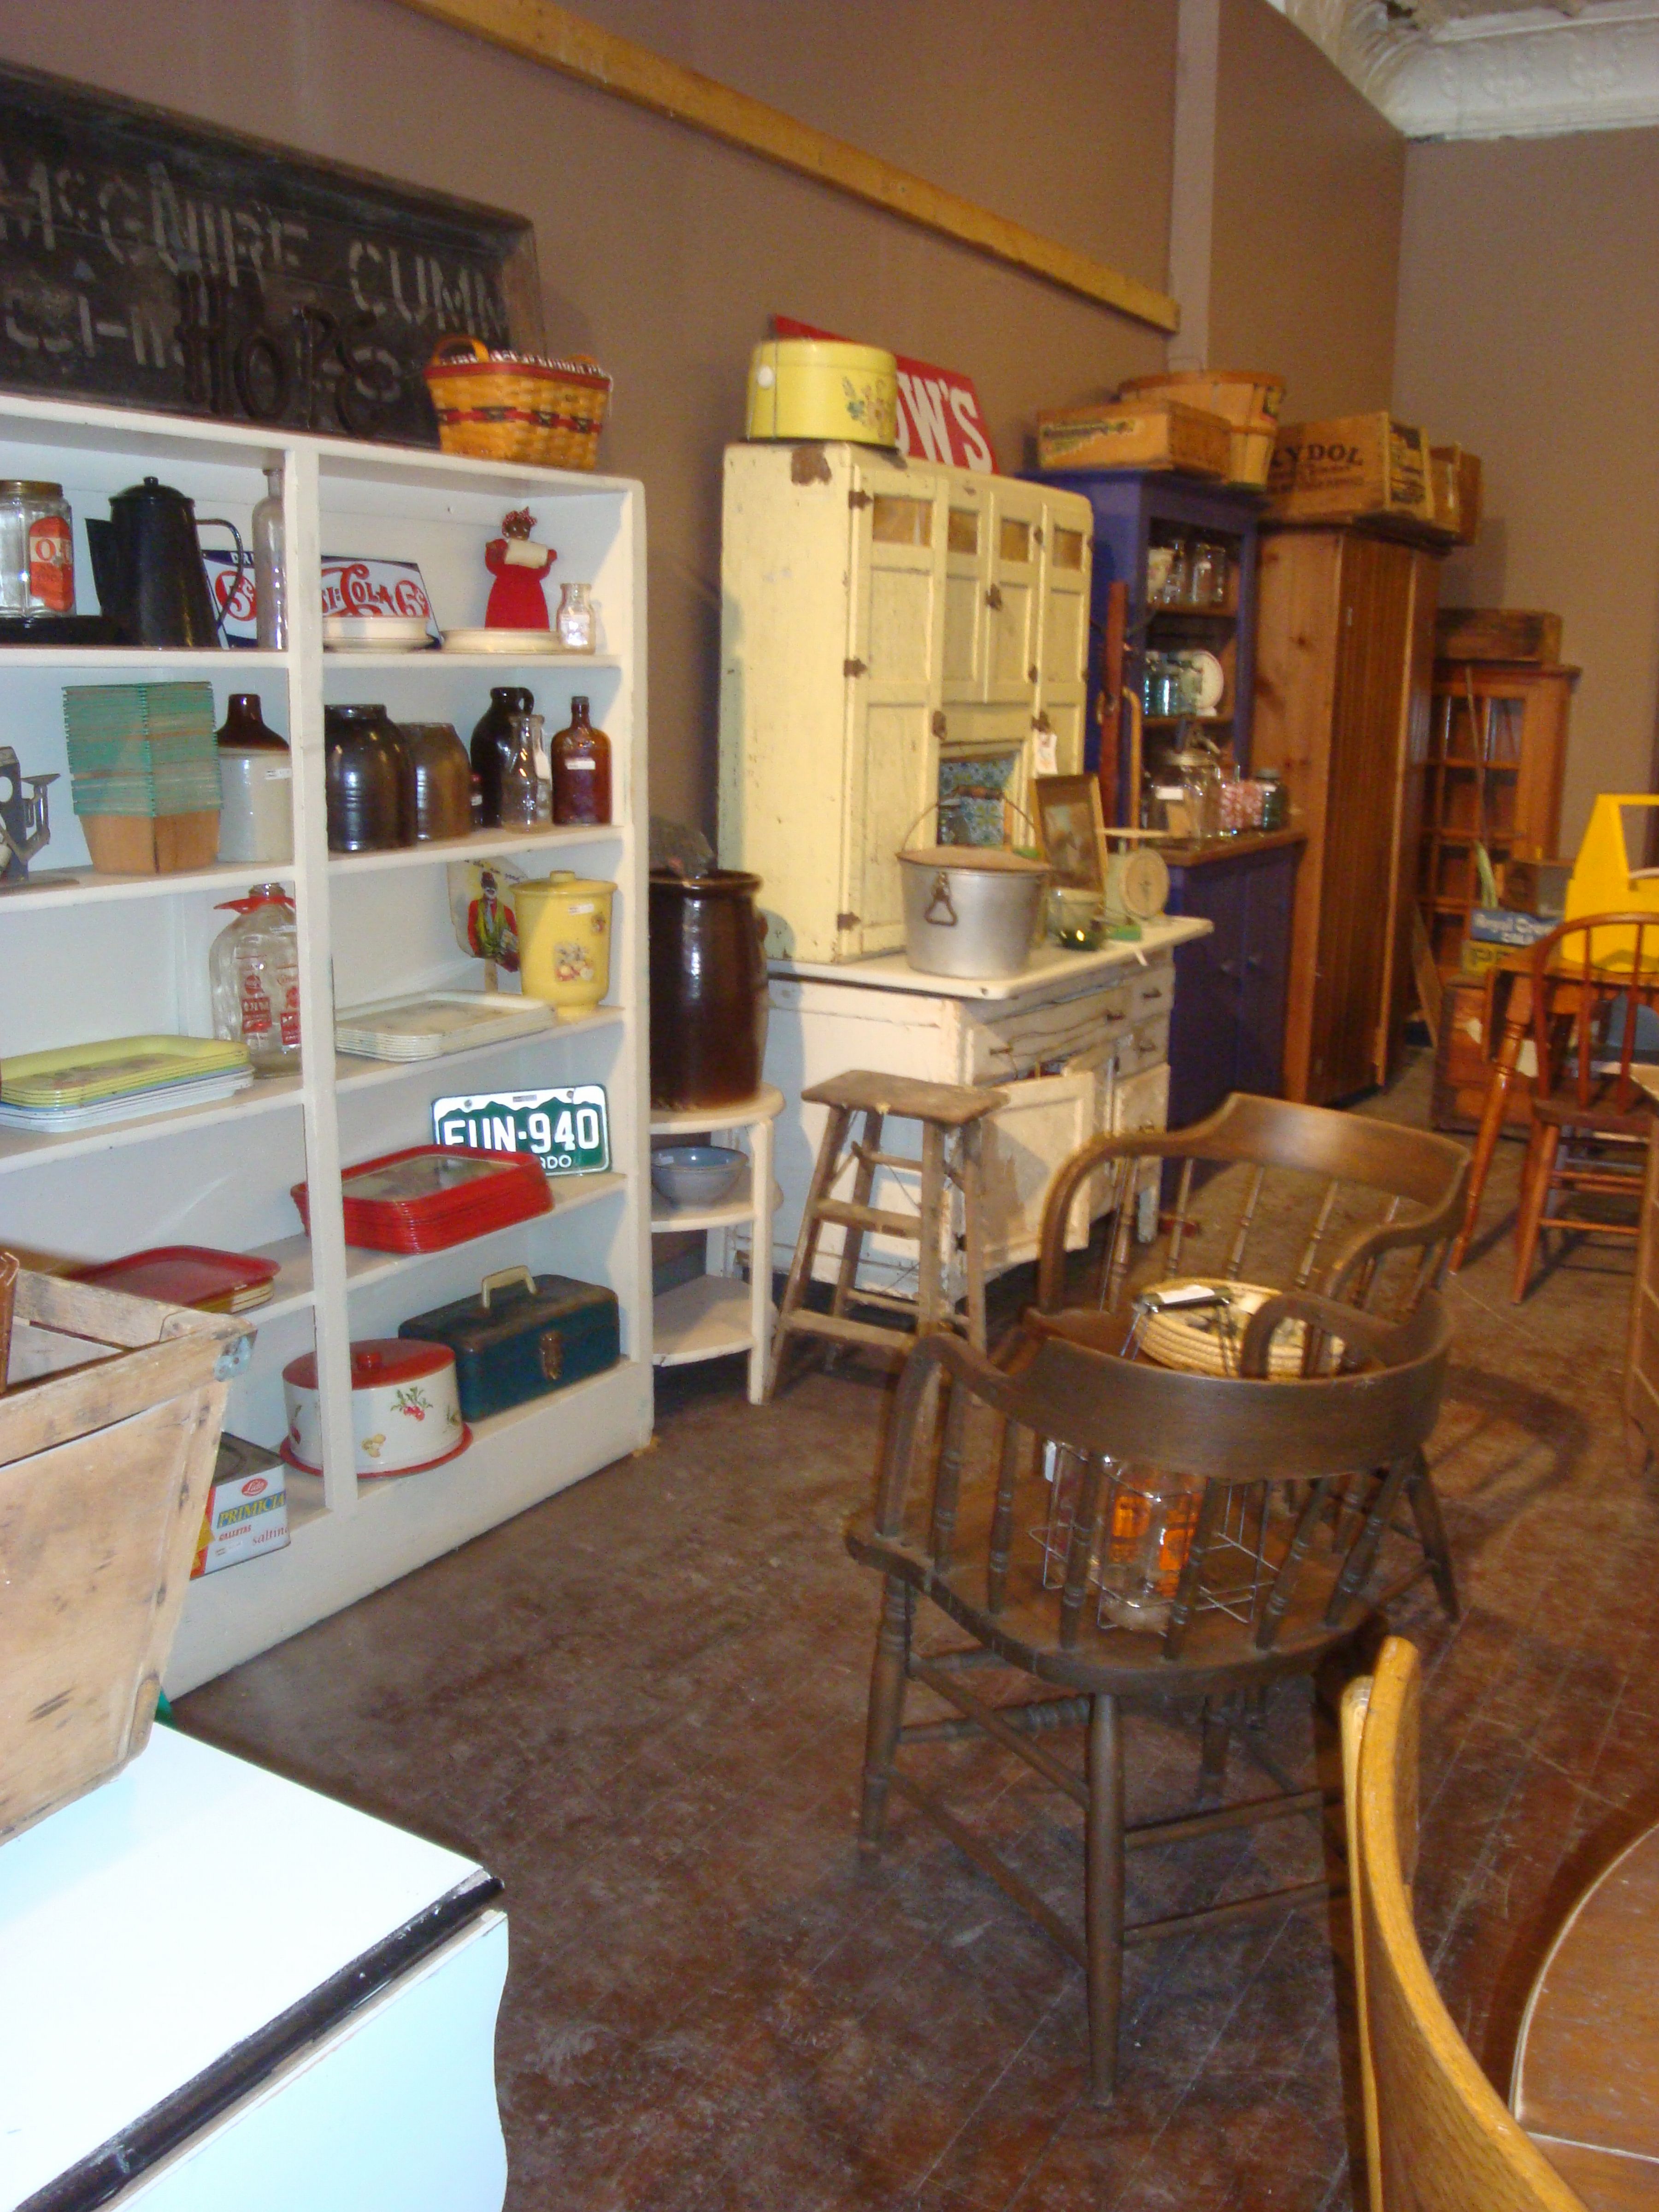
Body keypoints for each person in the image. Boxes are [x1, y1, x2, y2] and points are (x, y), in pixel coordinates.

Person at [483, 508, 556, 629]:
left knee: (532, 625)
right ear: (507, 531)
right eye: (515, 529)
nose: (521, 532)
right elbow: (493, 564)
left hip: (531, 594)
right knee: (503, 622)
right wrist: (495, 550)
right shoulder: (503, 546)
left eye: (526, 529)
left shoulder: (533, 550)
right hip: (506, 591)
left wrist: (548, 560)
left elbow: (542, 570)